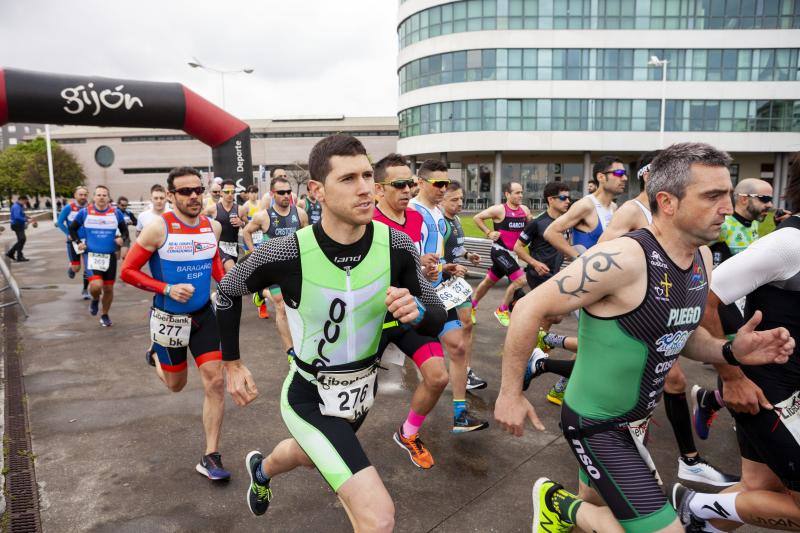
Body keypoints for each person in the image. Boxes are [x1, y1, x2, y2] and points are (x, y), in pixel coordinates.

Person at [494, 142, 794, 533]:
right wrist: (509, 393)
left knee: (604, 511)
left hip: (637, 421)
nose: (726, 206)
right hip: (596, 425)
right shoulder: (623, 258)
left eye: (728, 193)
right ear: (667, 202)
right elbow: (527, 308)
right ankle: (557, 502)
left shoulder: (701, 259)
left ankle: (563, 510)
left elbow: (684, 337)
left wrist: (730, 350)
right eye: (712, 196)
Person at [215, 134, 446, 530]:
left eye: (367, 176)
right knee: (378, 517)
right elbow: (226, 292)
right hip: (308, 395)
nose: (365, 188)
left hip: (360, 393)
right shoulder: (286, 252)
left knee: (308, 455)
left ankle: (262, 470)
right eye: (348, 179)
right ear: (317, 191)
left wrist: (418, 312)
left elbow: (437, 315)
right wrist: (232, 364)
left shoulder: (396, 245)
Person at [673, 153, 800, 533]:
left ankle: (698, 523)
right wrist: (732, 378)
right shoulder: (789, 243)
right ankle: (694, 504)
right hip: (766, 391)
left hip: (790, 386)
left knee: (760, 488)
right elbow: (703, 297)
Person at [120, 166, 232, 481]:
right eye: (185, 191)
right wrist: (167, 288)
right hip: (168, 319)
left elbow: (213, 262)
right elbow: (127, 271)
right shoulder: (158, 228)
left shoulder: (213, 227)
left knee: (215, 382)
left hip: (203, 316)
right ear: (171, 195)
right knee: (176, 385)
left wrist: (228, 286)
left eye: (198, 190)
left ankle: (211, 456)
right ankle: (155, 355)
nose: (194, 196)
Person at [372, 154, 451, 469]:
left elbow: (409, 262)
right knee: (356, 399)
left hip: (409, 311)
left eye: (410, 183)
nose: (407, 189)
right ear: (379, 189)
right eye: (399, 184)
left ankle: (408, 433)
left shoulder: (415, 219)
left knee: (438, 377)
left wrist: (424, 269)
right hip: (373, 318)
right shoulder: (368, 222)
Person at [412, 159, 490, 433]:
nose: (443, 188)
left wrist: (448, 266)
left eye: (446, 183)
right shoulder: (412, 212)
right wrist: (432, 267)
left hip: (438, 294)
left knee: (458, 347)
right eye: (438, 183)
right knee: (432, 372)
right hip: (414, 297)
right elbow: (407, 256)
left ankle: (460, 415)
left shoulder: (438, 213)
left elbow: (437, 255)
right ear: (421, 182)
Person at [512, 182, 572, 405]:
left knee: (555, 316)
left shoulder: (565, 222)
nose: (568, 201)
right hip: (538, 274)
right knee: (553, 314)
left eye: (569, 198)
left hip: (555, 274)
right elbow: (517, 247)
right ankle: (534, 348)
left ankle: (537, 342)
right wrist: (535, 263)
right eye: (563, 198)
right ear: (551, 200)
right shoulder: (536, 223)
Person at [244, 176, 308, 340]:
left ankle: (262, 293)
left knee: (297, 304)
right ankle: (290, 350)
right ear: (272, 194)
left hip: (294, 267)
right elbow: (247, 232)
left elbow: (307, 238)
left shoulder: (300, 214)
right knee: (281, 306)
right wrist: (254, 254)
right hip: (272, 268)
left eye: (288, 191)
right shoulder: (263, 216)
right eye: (281, 192)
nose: (286, 195)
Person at [440, 181, 487, 390]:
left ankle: (465, 371)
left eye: (461, 198)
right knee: (434, 329)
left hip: (456, 282)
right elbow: (430, 252)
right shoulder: (438, 223)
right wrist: (446, 267)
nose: (460, 203)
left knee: (467, 323)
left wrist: (468, 255)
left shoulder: (457, 219)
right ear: (442, 200)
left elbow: (457, 247)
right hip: (438, 281)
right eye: (454, 199)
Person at [470, 181, 532, 326]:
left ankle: (471, 306)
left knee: (488, 282)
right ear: (507, 194)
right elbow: (477, 217)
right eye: (517, 193)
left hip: (512, 254)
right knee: (520, 280)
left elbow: (531, 225)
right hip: (499, 251)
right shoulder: (499, 210)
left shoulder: (525, 210)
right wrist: (489, 232)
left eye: (521, 192)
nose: (520, 195)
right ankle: (502, 310)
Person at [544, 155, 626, 260]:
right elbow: (551, 232)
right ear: (601, 177)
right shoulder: (586, 205)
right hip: (588, 269)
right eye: (619, 173)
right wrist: (579, 258)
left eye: (624, 173)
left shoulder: (613, 207)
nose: (624, 178)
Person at [69, 185, 129, 327]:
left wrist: (122, 239)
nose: (101, 197)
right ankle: (95, 299)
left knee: (108, 289)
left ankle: (104, 314)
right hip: (92, 256)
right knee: (96, 285)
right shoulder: (85, 212)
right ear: (94, 197)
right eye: (99, 195)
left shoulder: (116, 213)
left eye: (104, 195)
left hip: (110, 256)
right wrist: (78, 242)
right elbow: (72, 229)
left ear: (108, 198)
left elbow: (125, 232)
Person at [204, 179, 247, 272]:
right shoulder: (213, 209)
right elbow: (197, 218)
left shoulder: (240, 209)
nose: (230, 194)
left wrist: (242, 223)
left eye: (232, 192)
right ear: (221, 193)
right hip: (219, 247)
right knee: (232, 272)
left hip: (234, 247)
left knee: (227, 277)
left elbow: (249, 228)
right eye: (227, 192)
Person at [56, 185, 90, 298]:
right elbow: (60, 223)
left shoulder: (90, 207)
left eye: (85, 195)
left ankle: (85, 290)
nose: (83, 197)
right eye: (80, 194)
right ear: (75, 195)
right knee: (77, 268)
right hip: (73, 241)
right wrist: (68, 234)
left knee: (88, 266)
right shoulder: (68, 208)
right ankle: (72, 268)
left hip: (88, 241)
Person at [6, 195, 35, 262]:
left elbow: (21, 214)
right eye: (25, 201)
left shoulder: (19, 206)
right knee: (22, 239)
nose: (25, 203)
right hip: (17, 225)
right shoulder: (16, 206)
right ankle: (12, 253)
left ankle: (16, 255)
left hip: (19, 225)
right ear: (21, 200)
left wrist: (28, 217)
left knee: (21, 240)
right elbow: (17, 217)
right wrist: (27, 220)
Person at [116, 196, 137, 261]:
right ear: (118, 204)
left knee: (124, 256)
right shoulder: (113, 212)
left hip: (125, 236)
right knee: (116, 258)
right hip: (115, 236)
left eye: (126, 205)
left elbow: (136, 222)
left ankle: (124, 267)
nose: (124, 207)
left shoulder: (128, 213)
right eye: (122, 205)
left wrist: (132, 222)